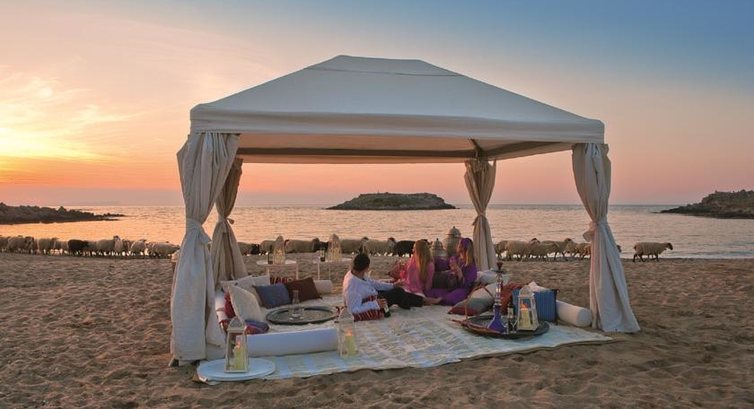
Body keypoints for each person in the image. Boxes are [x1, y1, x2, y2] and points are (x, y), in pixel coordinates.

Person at [342, 253, 423, 321]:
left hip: (374, 295)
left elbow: (374, 283)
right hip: (372, 302)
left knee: (396, 290)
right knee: (398, 293)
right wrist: (375, 304)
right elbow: (353, 310)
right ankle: (420, 302)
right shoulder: (352, 286)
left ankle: (421, 300)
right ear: (366, 268)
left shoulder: (357, 273)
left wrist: (392, 285)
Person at [425, 237, 478, 305]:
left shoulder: (471, 266)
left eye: (460, 244)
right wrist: (435, 261)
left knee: (456, 295)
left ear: (463, 247)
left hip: (462, 289)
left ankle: (438, 301)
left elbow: (466, 285)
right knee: (432, 292)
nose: (458, 245)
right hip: (451, 287)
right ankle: (436, 299)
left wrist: (459, 272)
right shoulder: (457, 258)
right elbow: (446, 264)